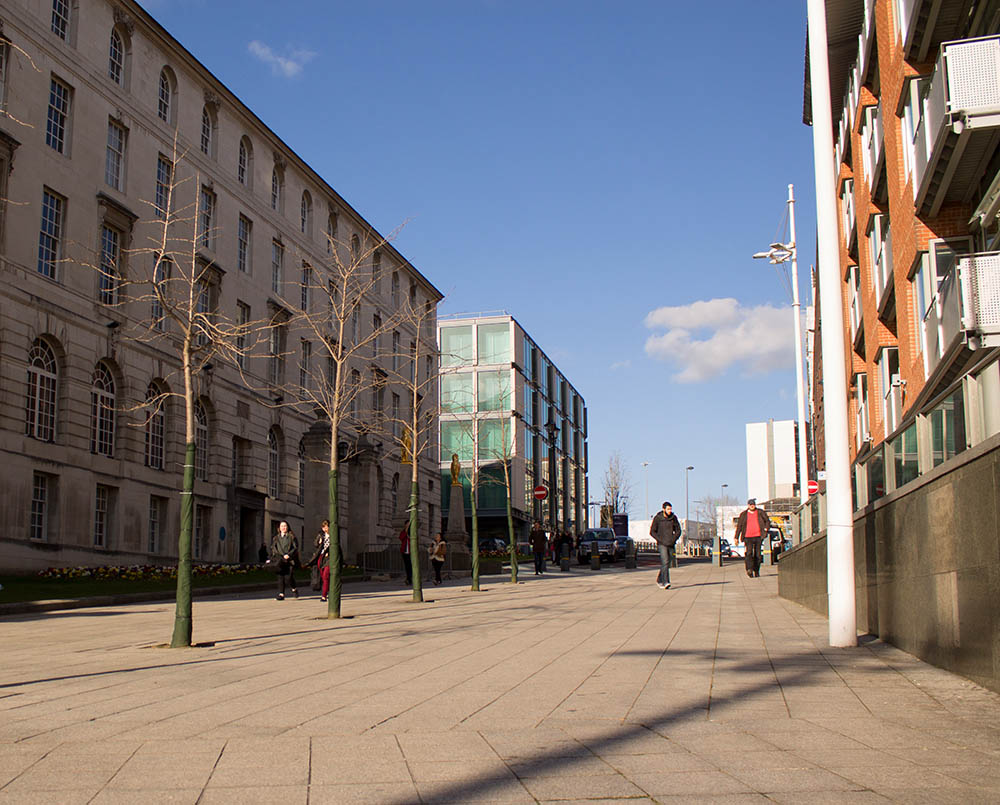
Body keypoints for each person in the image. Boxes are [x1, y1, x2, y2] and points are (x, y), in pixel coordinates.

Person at [735, 498, 770, 578]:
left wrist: (766, 529)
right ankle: (749, 569)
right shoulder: (743, 514)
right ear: (748, 505)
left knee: (758, 554)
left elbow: (767, 521)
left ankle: (756, 570)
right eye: (750, 505)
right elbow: (739, 526)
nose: (752, 506)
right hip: (748, 537)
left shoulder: (760, 512)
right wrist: (736, 537)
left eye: (753, 504)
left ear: (755, 505)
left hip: (758, 536)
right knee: (749, 553)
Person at [649, 501, 681, 589]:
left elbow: (678, 530)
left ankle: (659, 579)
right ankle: (666, 582)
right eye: (668, 509)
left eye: (670, 509)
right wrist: (660, 539)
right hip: (662, 543)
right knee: (665, 561)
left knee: (667, 563)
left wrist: (673, 538)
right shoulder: (658, 518)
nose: (669, 511)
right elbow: (652, 532)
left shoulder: (673, 518)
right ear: (663, 509)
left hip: (671, 543)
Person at [270, 521, 299, 600]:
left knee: (289, 576)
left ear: (288, 527)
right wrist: (273, 557)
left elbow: (295, 548)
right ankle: (281, 594)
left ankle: (294, 588)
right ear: (279, 528)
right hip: (280, 559)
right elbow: (273, 548)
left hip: (289, 560)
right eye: (282, 526)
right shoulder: (276, 538)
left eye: (285, 526)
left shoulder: (291, 537)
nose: (283, 528)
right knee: (280, 576)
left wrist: (289, 555)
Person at [308, 520, 332, 602]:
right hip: (321, 557)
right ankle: (327, 589)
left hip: (329, 558)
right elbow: (315, 544)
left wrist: (329, 552)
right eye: (323, 527)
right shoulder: (321, 535)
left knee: (326, 575)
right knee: (322, 575)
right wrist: (319, 542)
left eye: (326, 527)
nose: (325, 529)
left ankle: (324, 595)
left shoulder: (333, 536)